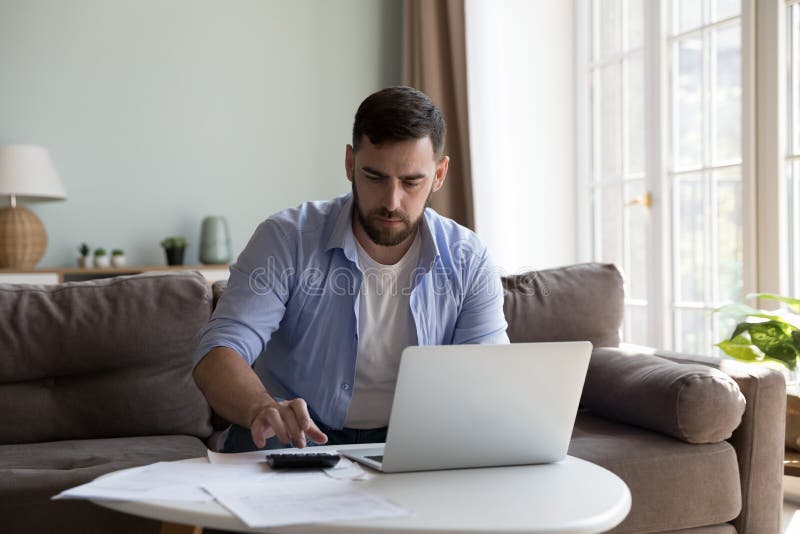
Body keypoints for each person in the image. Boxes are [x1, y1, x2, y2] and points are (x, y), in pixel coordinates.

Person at [193, 86, 509, 453]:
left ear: (439, 174)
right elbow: (219, 353)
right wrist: (261, 407)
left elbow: (487, 376)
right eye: (374, 177)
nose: (392, 202)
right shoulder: (285, 239)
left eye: (411, 182)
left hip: (411, 443)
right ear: (349, 164)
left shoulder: (468, 259)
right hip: (291, 438)